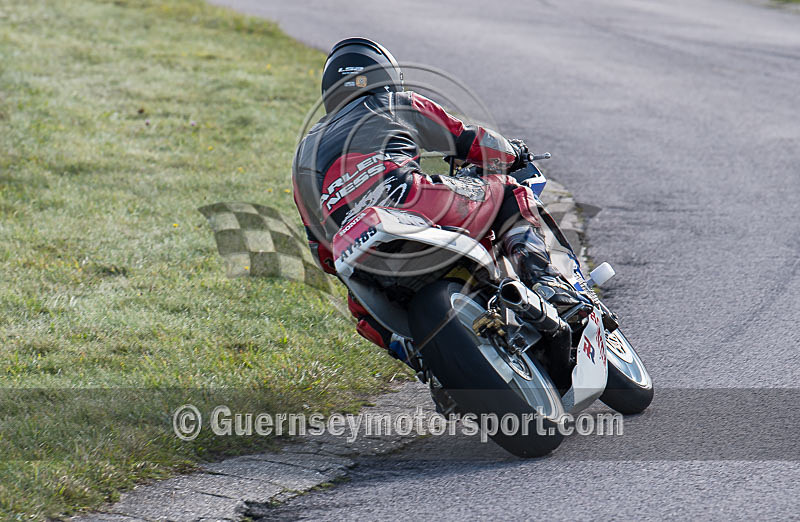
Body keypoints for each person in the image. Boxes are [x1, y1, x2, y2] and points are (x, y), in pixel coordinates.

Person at [292, 37, 576, 359]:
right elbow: (469, 140)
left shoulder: (303, 153)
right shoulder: (395, 103)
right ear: (385, 75)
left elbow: (319, 247)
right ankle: (546, 280)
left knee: (363, 313)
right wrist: (514, 153)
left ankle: (421, 361)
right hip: (410, 201)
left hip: (356, 248)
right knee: (510, 191)